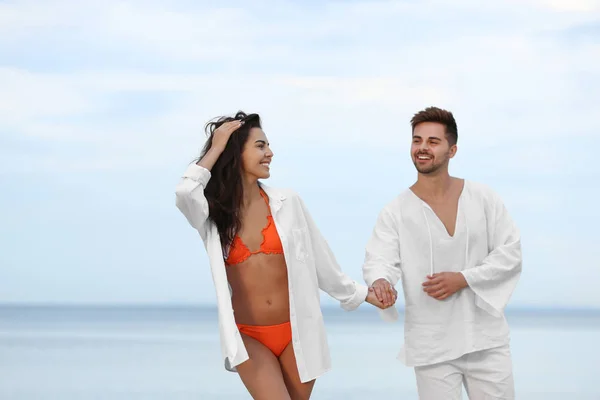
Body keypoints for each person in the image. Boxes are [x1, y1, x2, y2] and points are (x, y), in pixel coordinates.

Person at [175, 111, 386, 400]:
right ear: (235, 153)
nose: (270, 153)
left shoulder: (288, 203)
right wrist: (216, 147)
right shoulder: (212, 215)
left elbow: (321, 262)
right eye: (260, 146)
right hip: (249, 336)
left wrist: (361, 295)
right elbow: (186, 192)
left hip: (299, 333)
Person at [362, 106, 522, 399]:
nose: (422, 148)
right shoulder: (395, 211)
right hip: (431, 344)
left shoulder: (483, 198)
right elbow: (380, 259)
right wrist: (382, 281)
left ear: (452, 149)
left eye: (433, 141)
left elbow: (510, 253)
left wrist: (463, 278)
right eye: (417, 140)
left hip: (485, 338)